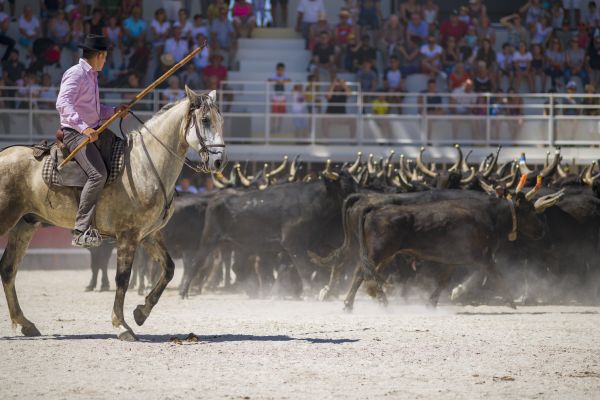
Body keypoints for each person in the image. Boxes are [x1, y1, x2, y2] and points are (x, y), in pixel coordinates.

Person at [55, 34, 128, 247]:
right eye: (105, 57)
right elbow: (63, 103)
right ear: (99, 55)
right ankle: (80, 229)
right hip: (74, 133)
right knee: (98, 175)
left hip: (92, 129)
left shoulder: (92, 75)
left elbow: (93, 110)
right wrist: (84, 127)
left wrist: (113, 111)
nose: (105, 61)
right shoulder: (76, 74)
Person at [268, 62, 291, 132]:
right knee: (274, 114)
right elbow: (269, 80)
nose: (281, 71)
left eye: (282, 70)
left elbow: (289, 80)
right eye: (279, 70)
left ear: (284, 70)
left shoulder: (285, 76)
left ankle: (279, 128)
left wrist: (283, 81)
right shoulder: (274, 76)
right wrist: (277, 81)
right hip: (275, 98)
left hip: (282, 99)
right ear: (276, 69)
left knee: (281, 114)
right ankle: (272, 127)